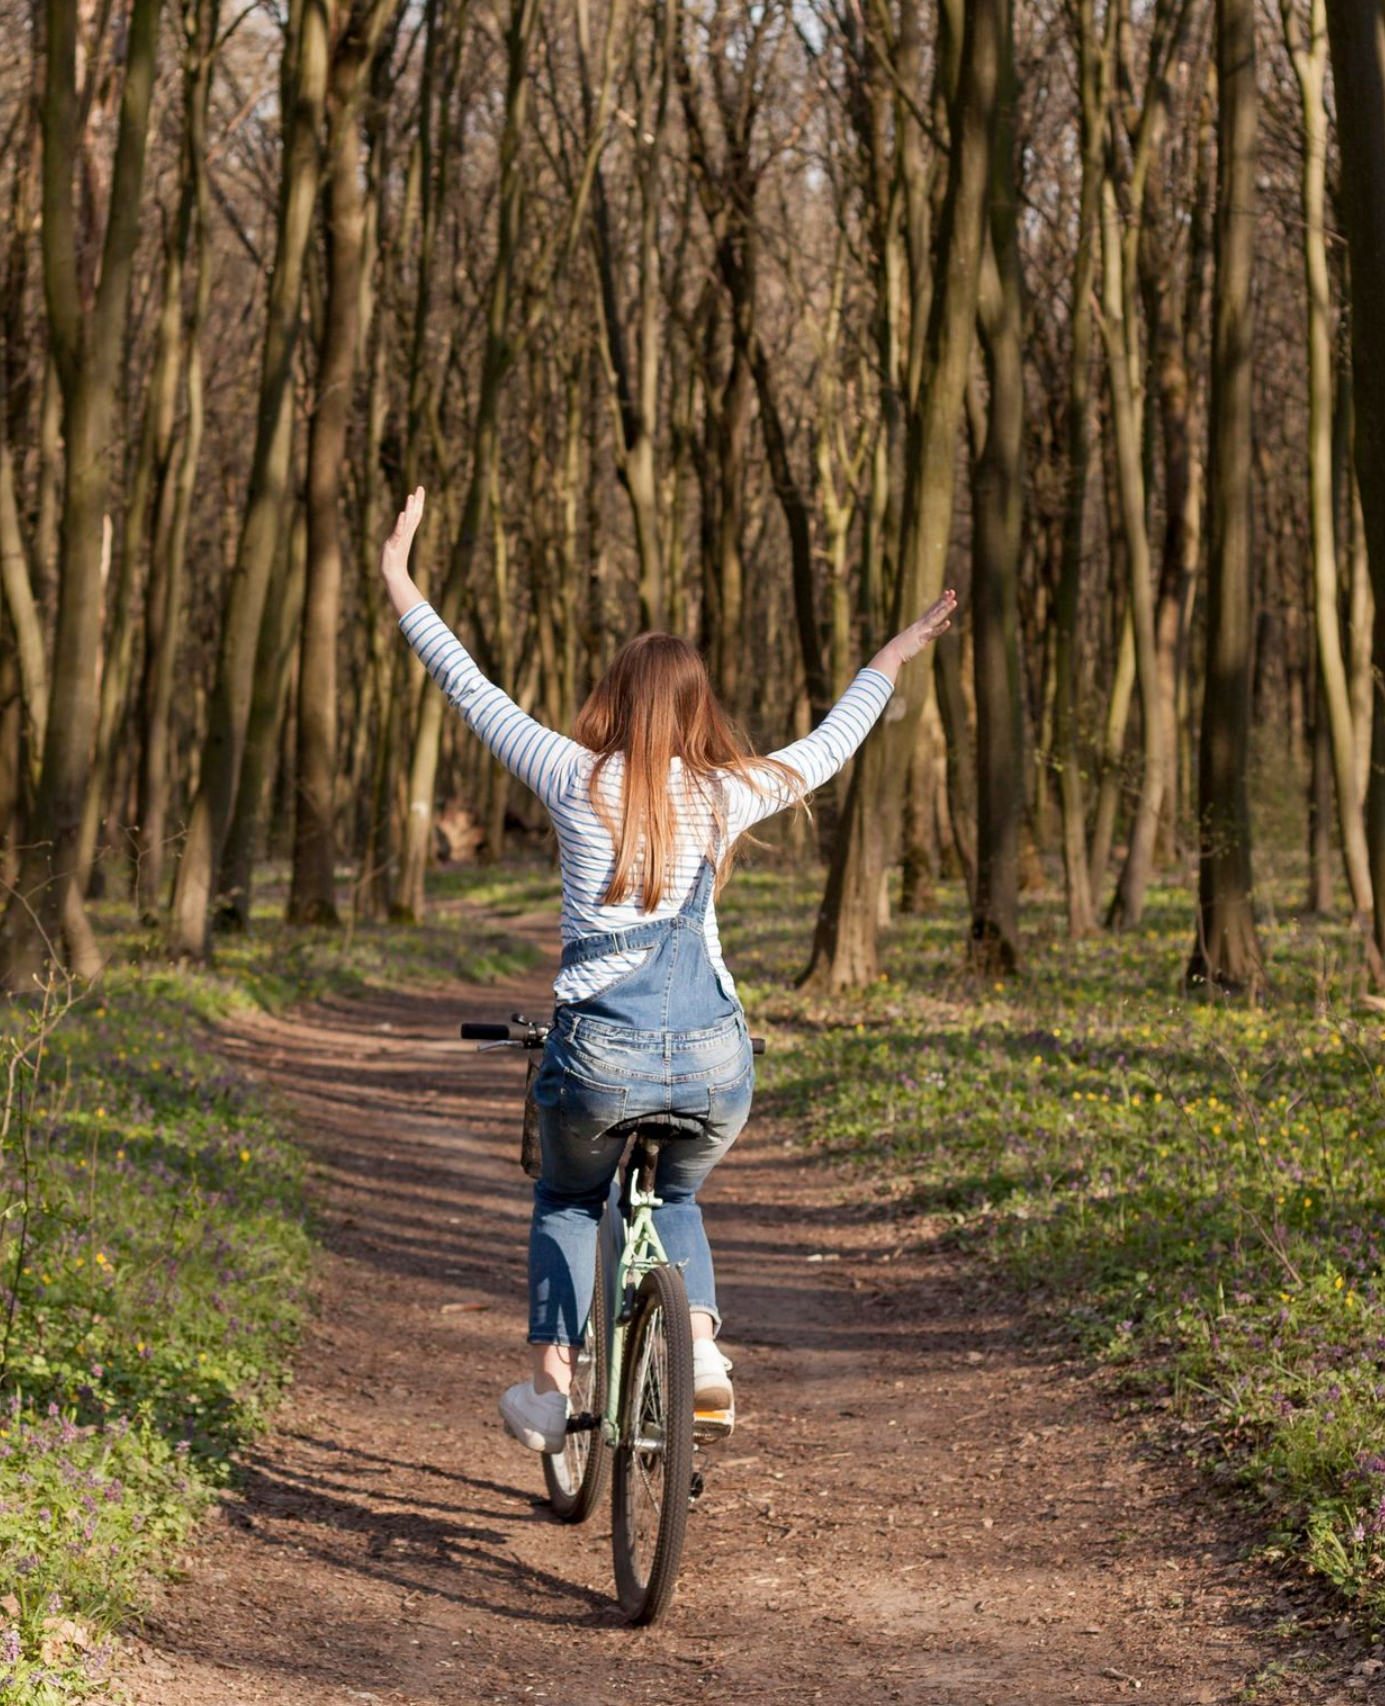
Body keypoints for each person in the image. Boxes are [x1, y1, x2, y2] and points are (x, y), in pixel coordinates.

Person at [381, 487, 956, 1456]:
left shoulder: (569, 774)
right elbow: (828, 745)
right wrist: (890, 659)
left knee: (568, 1198)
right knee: (676, 1197)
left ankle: (544, 1387)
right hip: (715, 1057)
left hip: (600, 1049)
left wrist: (400, 576)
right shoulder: (730, 791)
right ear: (699, 708)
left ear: (612, 698)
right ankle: (704, 1357)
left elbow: (469, 686)